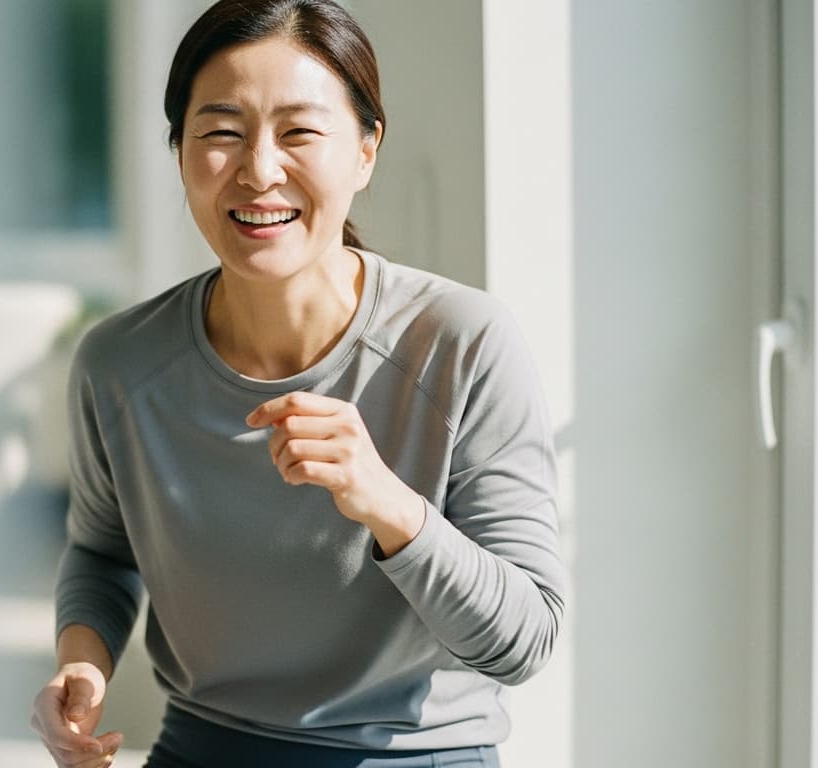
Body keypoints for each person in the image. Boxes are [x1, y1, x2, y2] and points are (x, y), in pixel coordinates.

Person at [30, 1, 565, 765]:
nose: (259, 170)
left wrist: (387, 504)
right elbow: (102, 552)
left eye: (300, 132)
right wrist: (82, 665)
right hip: (199, 749)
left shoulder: (461, 343)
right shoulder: (119, 361)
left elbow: (524, 642)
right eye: (221, 132)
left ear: (365, 151)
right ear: (179, 151)